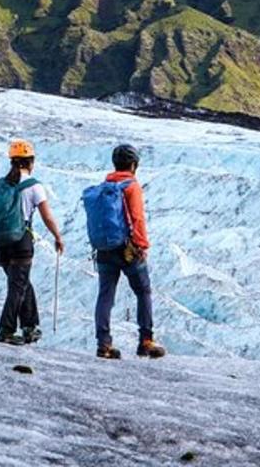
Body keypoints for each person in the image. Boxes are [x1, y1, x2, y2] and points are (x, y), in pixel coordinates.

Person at [0, 139, 64, 345]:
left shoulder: (1, 186)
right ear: (31, 162)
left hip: (0, 244)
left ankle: (29, 326)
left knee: (20, 281)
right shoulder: (34, 187)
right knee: (18, 286)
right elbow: (47, 217)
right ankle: (6, 330)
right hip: (20, 242)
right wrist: (58, 237)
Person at [91, 144, 166, 359]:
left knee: (105, 295)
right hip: (127, 249)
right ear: (134, 165)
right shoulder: (131, 186)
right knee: (143, 292)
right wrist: (142, 245)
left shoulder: (105, 185)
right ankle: (145, 340)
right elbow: (137, 217)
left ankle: (103, 344)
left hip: (104, 248)